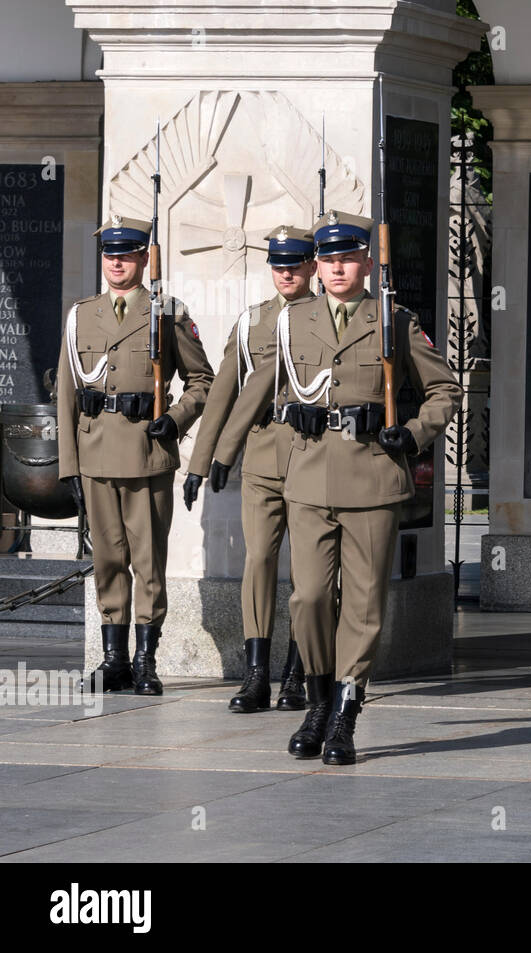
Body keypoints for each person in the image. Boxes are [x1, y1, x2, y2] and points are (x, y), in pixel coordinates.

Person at [212, 210, 461, 764]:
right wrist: (221, 452)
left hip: (373, 474)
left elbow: (445, 390)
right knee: (309, 597)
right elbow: (256, 389)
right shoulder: (292, 321)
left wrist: (413, 432)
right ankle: (318, 698)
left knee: (364, 604)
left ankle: (344, 711)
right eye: (328, 258)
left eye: (348, 257)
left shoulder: (394, 320)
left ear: (367, 262)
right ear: (317, 266)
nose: (338, 267)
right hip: (307, 475)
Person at [59, 213, 214, 695]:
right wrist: (69, 465)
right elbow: (65, 393)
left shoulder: (166, 311)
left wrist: (178, 418)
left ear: (144, 258)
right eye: (110, 255)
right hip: (95, 456)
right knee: (107, 559)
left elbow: (202, 380)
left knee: (147, 561)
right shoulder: (81, 315)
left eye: (126, 255)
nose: (117, 263)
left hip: (146, 453)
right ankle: (114, 660)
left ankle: (146, 659)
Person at [184, 226, 317, 713]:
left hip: (311, 453)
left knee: (309, 570)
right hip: (262, 455)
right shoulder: (253, 323)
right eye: (279, 264)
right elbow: (222, 394)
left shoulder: (327, 319)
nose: (286, 272)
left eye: (296, 263)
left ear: (312, 265)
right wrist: (202, 463)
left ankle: (298, 672)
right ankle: (257, 672)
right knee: (258, 560)